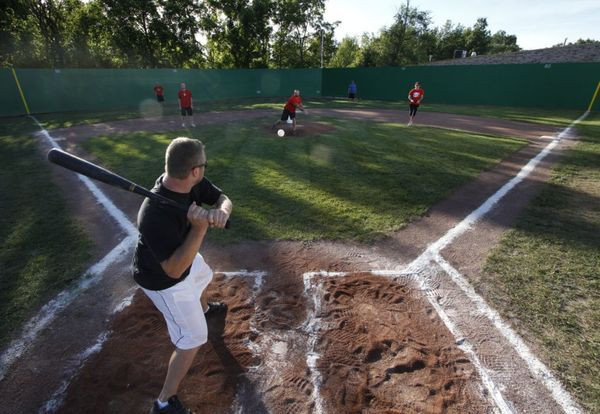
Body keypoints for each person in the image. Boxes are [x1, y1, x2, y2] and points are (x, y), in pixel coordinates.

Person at [133, 137, 233, 414]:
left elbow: (223, 199)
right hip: (164, 282)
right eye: (203, 164)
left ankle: (204, 309)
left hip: (184, 260)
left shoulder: (192, 183)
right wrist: (199, 228)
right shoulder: (153, 214)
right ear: (194, 170)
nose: (204, 169)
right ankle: (164, 402)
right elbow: (174, 270)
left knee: (203, 275)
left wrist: (221, 213)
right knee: (193, 338)